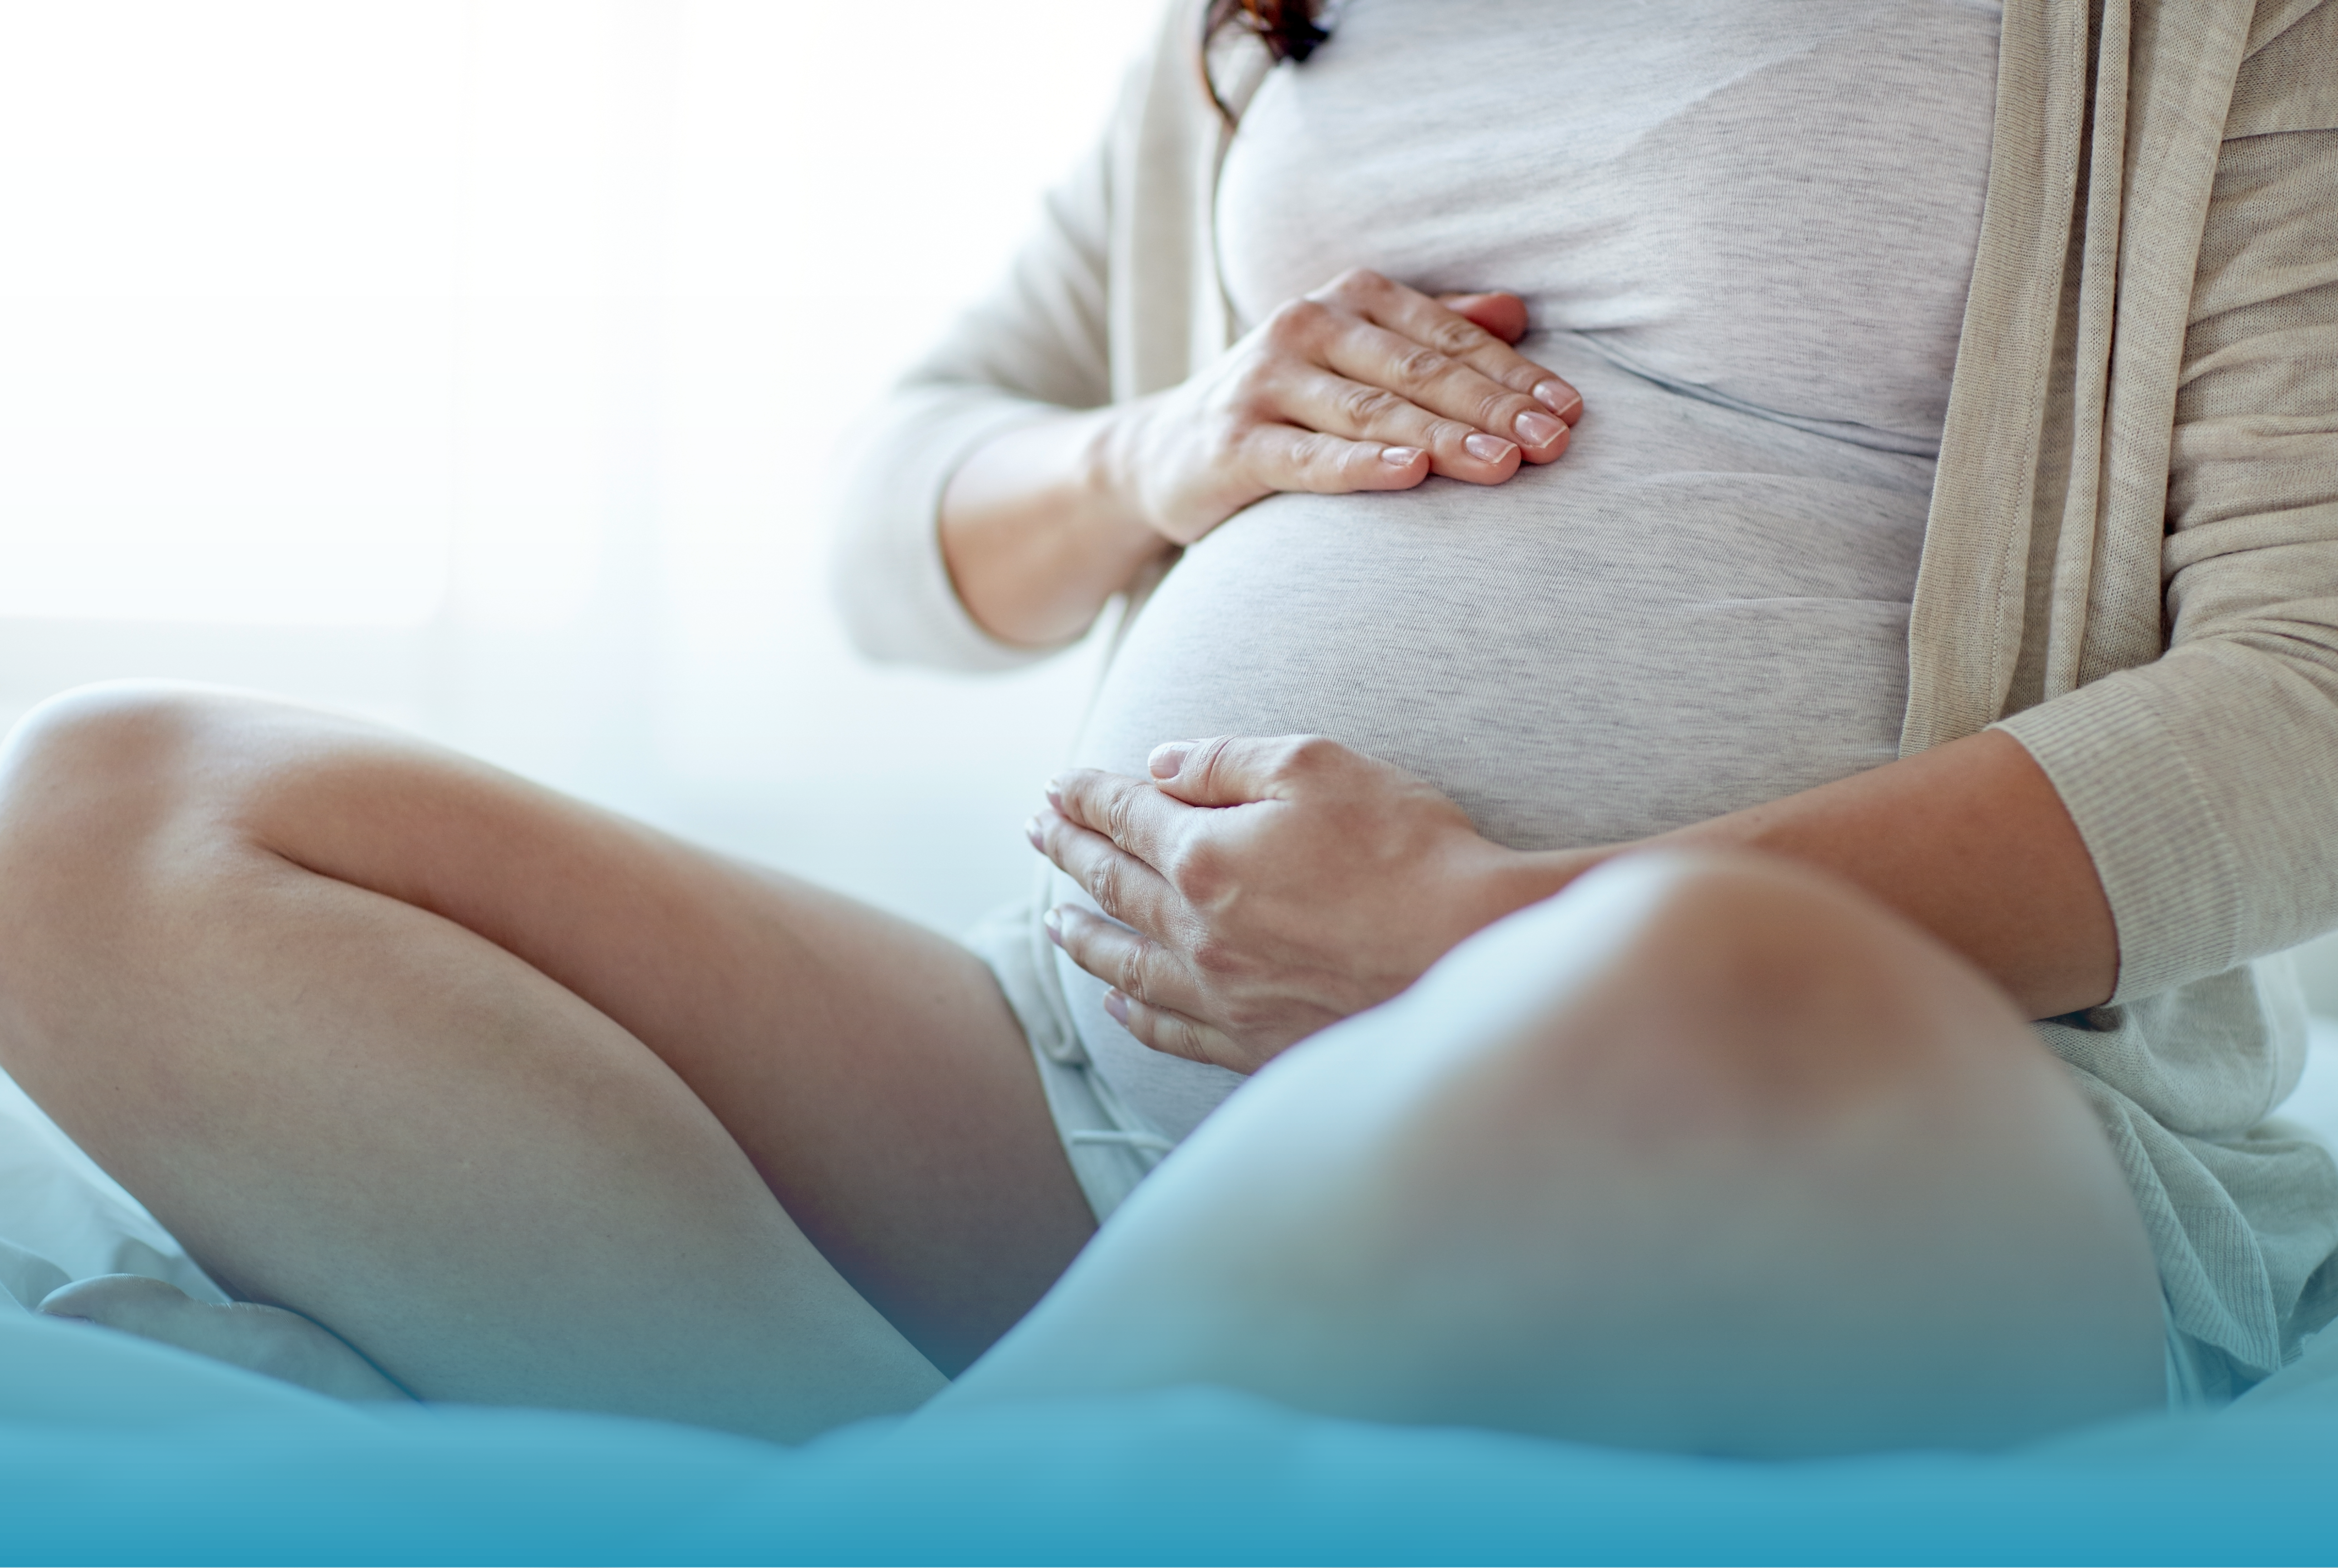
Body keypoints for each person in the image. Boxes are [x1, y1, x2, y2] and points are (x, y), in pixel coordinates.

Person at [0, 0, 2331, 1455]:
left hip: (1839, 1124)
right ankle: (930, 1479)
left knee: (1700, 980)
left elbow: (2301, 706)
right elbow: (892, 518)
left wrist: (1498, 932)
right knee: (106, 813)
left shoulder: (2200, 33)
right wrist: (1158, 448)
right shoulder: (1269, 25)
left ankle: (920, 1488)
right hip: (1094, 1105)